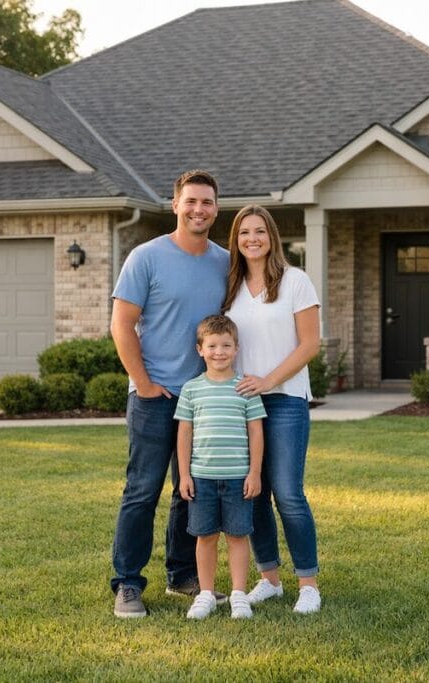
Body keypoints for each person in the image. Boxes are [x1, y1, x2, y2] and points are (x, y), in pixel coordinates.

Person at [109, 170, 229, 618]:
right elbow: (122, 325)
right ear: (175, 204)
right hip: (154, 396)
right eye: (192, 201)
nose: (200, 209)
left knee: (189, 491)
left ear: (216, 209)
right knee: (142, 490)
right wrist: (142, 383)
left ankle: (183, 575)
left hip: (203, 400)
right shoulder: (146, 257)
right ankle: (127, 582)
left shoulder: (224, 261)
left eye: (208, 202)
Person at [223, 205, 323, 614]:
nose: (252, 238)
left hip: (284, 401)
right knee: (255, 493)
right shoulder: (230, 286)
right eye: (244, 232)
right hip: (242, 404)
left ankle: (308, 585)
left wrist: (269, 380)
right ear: (236, 239)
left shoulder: (295, 281)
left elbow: (309, 344)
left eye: (259, 231)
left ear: (272, 236)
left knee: (288, 493)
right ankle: (270, 579)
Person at [175, 315, 266, 619]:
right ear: (200, 349)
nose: (219, 351)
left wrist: (254, 473)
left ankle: (239, 594)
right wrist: (185, 474)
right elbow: (184, 433)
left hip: (238, 477)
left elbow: (256, 432)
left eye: (226, 345)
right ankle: (205, 594)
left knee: (238, 536)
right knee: (205, 536)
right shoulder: (191, 390)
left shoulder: (245, 388)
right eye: (212, 345)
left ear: (236, 349)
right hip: (202, 478)